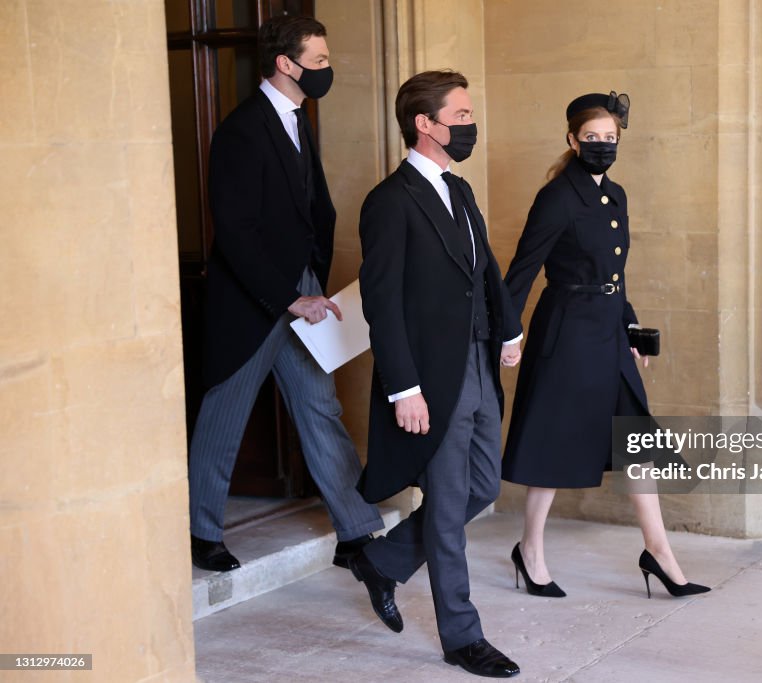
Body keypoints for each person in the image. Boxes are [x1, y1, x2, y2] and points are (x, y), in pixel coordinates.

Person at [187, 16, 383, 572]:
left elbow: (313, 210)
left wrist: (311, 280)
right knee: (225, 412)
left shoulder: (299, 120)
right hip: (255, 297)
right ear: (285, 63)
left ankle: (356, 529)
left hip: (300, 287)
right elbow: (235, 228)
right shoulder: (242, 130)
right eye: (319, 61)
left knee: (319, 406)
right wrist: (287, 295)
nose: (327, 69)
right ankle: (203, 534)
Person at [501, 92, 710, 600]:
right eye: (592, 138)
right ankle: (530, 550)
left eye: (609, 139)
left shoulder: (615, 195)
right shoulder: (556, 197)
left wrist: (631, 328)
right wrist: (508, 333)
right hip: (568, 332)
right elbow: (522, 271)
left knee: (636, 441)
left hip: (609, 333)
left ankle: (658, 552)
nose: (601, 146)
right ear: (572, 140)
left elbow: (615, 275)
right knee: (551, 441)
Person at [351, 70, 524, 679]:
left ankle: (383, 561)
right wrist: (404, 387)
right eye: (461, 116)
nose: (470, 126)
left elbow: (486, 269)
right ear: (425, 125)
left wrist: (507, 328)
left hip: (478, 362)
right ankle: (462, 636)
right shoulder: (390, 201)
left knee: (483, 487)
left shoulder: (462, 190)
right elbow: (383, 302)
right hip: (429, 377)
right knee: (449, 505)